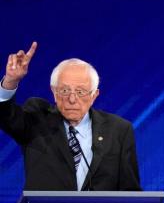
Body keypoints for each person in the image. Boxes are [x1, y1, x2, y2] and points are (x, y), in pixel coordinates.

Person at [0, 42, 141, 191]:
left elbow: (130, 191)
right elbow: (5, 116)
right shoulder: (37, 119)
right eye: (65, 91)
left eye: (80, 92)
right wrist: (10, 80)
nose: (72, 99)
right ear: (54, 92)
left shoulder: (118, 130)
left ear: (94, 95)